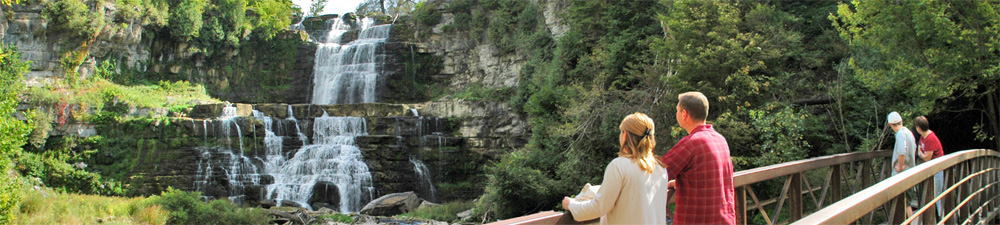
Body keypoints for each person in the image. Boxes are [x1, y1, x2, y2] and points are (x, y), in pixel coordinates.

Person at [561, 112, 670, 224]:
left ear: (625, 134)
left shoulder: (619, 166)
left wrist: (571, 205)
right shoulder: (660, 168)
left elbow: (600, 207)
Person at [659, 91, 736, 225]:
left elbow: (656, 172)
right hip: (723, 220)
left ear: (684, 114)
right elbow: (710, 176)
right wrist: (677, 182)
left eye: (677, 110)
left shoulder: (691, 143)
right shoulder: (720, 139)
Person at [888, 111, 918, 221]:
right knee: (907, 203)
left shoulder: (901, 134)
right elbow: (914, 149)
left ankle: (912, 223)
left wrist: (900, 167)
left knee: (902, 204)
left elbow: (901, 152)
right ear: (901, 121)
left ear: (890, 125)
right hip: (910, 171)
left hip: (901, 175)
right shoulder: (909, 132)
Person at [914, 115, 944, 218]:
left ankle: (940, 218)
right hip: (930, 169)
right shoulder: (924, 136)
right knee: (929, 195)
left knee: (937, 195)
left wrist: (920, 153)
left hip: (937, 169)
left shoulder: (930, 138)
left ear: (918, 128)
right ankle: (933, 218)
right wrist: (921, 153)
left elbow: (926, 157)